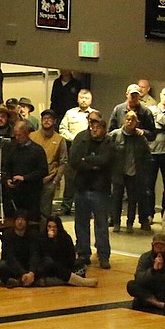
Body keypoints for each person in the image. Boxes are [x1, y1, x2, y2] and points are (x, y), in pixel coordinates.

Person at [69, 112, 115, 268]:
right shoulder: (81, 138)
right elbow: (74, 161)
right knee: (81, 223)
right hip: (81, 187)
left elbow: (105, 161)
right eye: (92, 125)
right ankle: (83, 253)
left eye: (97, 126)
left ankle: (103, 255)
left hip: (100, 190)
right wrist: (93, 165)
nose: (94, 129)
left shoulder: (108, 141)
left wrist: (87, 159)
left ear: (103, 128)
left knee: (101, 224)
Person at [128, 234, 165, 311]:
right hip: (150, 289)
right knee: (131, 285)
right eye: (157, 246)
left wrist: (163, 271)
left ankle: (148, 301)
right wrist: (152, 270)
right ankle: (159, 304)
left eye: (162, 246)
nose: (159, 249)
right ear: (152, 246)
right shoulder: (145, 257)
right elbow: (138, 278)